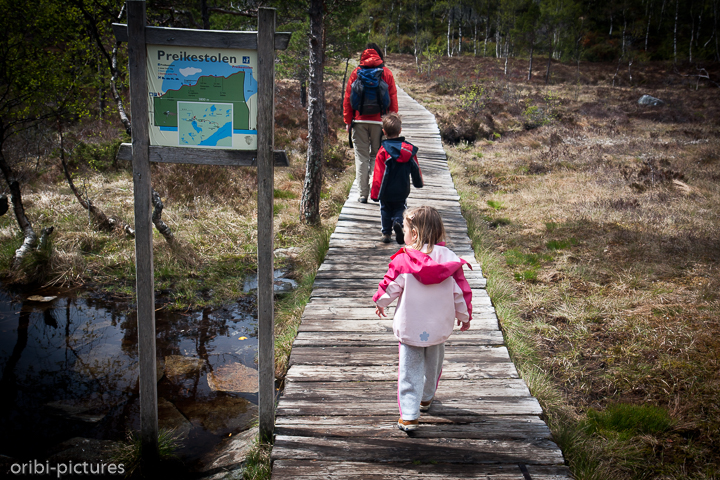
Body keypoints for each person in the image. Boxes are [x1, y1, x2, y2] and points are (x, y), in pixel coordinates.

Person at [372, 206, 473, 432]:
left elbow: (391, 286)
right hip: (438, 328)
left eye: (406, 230)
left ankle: (409, 415)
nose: (403, 234)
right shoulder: (450, 260)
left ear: (415, 234)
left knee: (409, 371)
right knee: (433, 366)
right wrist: (464, 316)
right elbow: (461, 291)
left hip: (411, 327)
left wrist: (380, 302)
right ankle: (426, 398)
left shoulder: (404, 261)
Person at [343, 43, 399, 204]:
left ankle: (362, 195)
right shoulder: (386, 73)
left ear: (363, 56)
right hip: (381, 123)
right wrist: (394, 122)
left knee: (361, 158)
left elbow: (348, 99)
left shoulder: (356, 73)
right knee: (377, 157)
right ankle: (377, 192)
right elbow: (393, 99)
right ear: (380, 55)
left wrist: (348, 121)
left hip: (359, 121)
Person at [370, 112, 423, 244]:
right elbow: (415, 167)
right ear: (400, 130)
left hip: (386, 190)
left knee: (385, 209)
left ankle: (386, 233)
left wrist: (375, 194)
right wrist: (418, 182)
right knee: (400, 208)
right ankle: (398, 222)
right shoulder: (409, 150)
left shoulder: (383, 151)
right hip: (402, 188)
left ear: (384, 131)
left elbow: (378, 174)